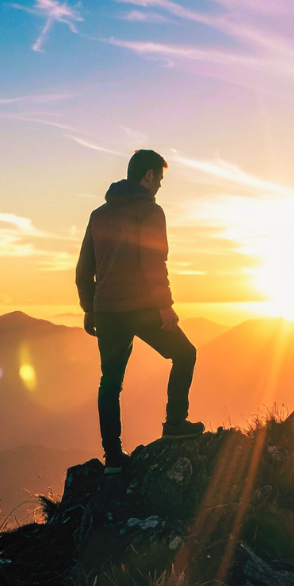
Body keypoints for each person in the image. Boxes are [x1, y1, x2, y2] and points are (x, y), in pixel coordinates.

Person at [76, 149, 204, 474]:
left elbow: (83, 270)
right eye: (159, 178)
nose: (160, 186)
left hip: (107, 312)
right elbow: (153, 262)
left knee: (110, 383)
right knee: (185, 354)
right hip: (143, 308)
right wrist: (165, 306)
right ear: (147, 176)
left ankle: (113, 459)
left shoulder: (98, 214)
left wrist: (90, 310)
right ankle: (175, 423)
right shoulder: (150, 211)